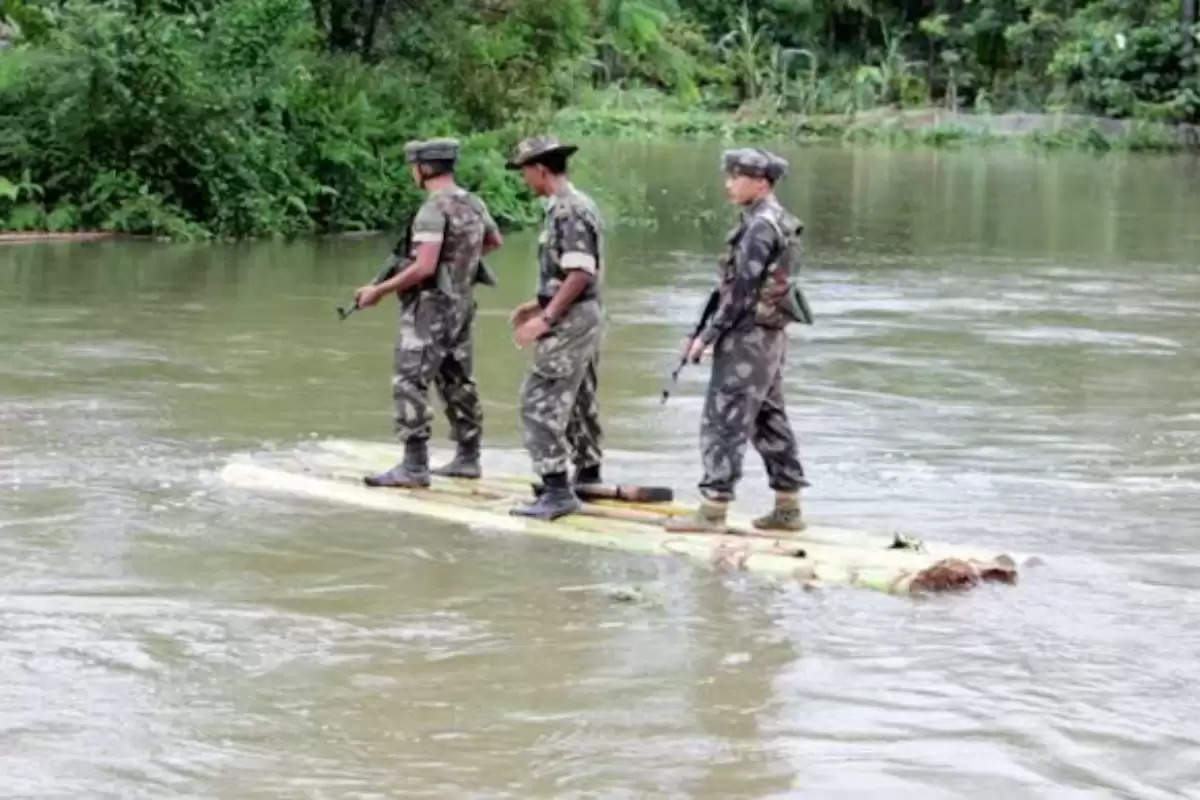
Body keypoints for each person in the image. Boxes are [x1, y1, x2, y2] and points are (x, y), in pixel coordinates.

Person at [666, 147, 809, 533]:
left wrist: (707, 337)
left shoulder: (761, 226)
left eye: (737, 177)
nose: (729, 184)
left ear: (761, 183)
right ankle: (788, 507)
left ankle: (713, 509)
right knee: (769, 419)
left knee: (724, 419)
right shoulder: (775, 220)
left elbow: (741, 292)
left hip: (747, 338)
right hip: (769, 337)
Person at [354, 138, 502, 487]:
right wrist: (462, 264)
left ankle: (414, 466)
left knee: (410, 379)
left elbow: (424, 266)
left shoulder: (432, 210)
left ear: (423, 169)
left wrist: (379, 290)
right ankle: (468, 458)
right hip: (462, 303)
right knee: (457, 378)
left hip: (430, 306)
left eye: (413, 167)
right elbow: (494, 242)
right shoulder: (474, 203)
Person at [506, 136, 605, 520]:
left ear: (540, 170)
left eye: (525, 172)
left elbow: (581, 272)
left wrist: (545, 320)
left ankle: (557, 490)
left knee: (538, 401)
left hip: (572, 320)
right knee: (579, 398)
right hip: (580, 313)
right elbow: (571, 272)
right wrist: (538, 303)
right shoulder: (574, 206)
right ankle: (587, 474)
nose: (524, 180)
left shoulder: (569, 211)